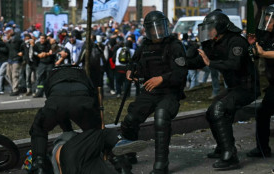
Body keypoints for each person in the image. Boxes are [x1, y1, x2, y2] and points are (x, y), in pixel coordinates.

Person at [29, 61, 147, 174]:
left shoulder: (52, 74)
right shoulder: (82, 73)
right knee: (98, 134)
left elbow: (58, 106)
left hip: (56, 103)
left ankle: (39, 164)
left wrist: (67, 129)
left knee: (38, 129)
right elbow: (93, 96)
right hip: (83, 102)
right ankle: (121, 163)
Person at [186, 9, 260, 169]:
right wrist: (186, 58)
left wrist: (210, 63)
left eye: (210, 28)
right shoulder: (213, 43)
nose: (207, 31)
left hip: (248, 87)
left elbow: (234, 64)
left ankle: (230, 155)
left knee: (219, 109)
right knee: (211, 112)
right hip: (234, 88)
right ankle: (222, 147)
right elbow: (200, 62)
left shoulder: (236, 42)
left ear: (219, 28)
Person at [120, 11, 188, 174]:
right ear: (148, 30)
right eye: (153, 28)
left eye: (159, 27)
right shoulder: (145, 45)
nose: (156, 31)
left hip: (169, 92)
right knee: (130, 120)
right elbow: (133, 62)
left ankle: (161, 165)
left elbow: (181, 73)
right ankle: (129, 154)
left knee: (161, 117)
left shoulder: (175, 45)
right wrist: (130, 71)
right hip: (150, 92)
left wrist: (162, 79)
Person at [246, 4, 274, 158]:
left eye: (270, 20)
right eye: (266, 19)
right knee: (262, 112)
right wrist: (253, 47)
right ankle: (262, 149)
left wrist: (264, 53)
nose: (267, 23)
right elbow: (258, 51)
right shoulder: (266, 35)